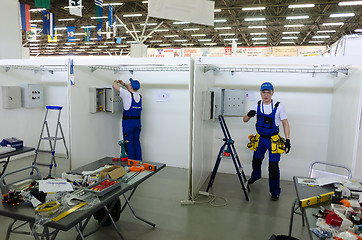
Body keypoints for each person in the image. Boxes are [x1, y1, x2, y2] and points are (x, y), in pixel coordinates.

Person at [243, 82, 290, 201]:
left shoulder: (279, 106)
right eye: (264, 92)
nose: (266, 94)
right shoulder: (257, 105)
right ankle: (255, 176)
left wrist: (288, 140)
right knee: (256, 160)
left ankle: (275, 192)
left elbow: (285, 123)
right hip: (260, 139)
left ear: (272, 93)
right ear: (260, 93)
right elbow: (245, 120)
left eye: (268, 92)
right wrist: (249, 115)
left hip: (273, 140)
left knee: (273, 167)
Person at [113, 78, 142, 160]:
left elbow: (114, 86)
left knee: (129, 143)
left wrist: (116, 81)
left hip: (129, 124)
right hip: (137, 123)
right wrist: (124, 84)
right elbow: (131, 90)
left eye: (129, 84)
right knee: (136, 142)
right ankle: (139, 162)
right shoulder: (139, 96)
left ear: (131, 87)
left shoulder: (127, 94)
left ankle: (132, 163)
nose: (128, 85)